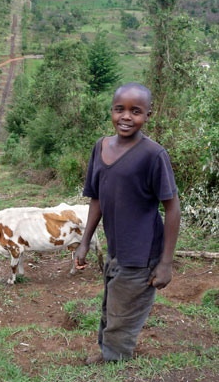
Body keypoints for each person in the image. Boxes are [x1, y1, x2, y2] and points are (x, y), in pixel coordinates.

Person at [75, 82, 181, 363]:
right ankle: (108, 349)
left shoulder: (153, 155)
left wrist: (166, 262)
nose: (126, 116)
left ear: (148, 115)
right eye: (119, 109)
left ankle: (113, 357)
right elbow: (96, 197)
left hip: (142, 251)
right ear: (111, 110)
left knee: (124, 309)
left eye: (136, 111)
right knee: (113, 303)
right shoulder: (100, 147)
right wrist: (84, 241)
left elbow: (172, 207)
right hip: (117, 248)